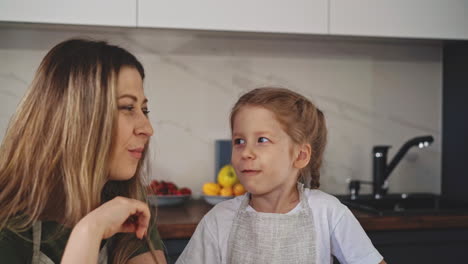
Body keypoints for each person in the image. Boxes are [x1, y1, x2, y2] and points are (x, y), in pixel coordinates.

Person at [0, 39, 167, 264]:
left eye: (144, 110)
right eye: (128, 107)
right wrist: (90, 231)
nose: (147, 128)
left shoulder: (129, 202)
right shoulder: (8, 222)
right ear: (77, 118)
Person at [177, 87, 386, 264]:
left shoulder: (329, 213)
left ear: (300, 155)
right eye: (239, 141)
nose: (246, 152)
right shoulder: (218, 220)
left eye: (262, 140)